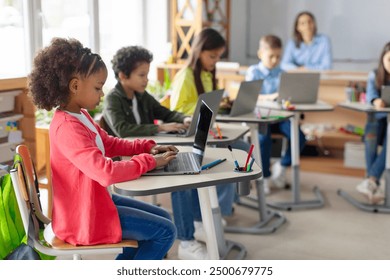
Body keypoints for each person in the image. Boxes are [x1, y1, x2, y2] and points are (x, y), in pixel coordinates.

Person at [28, 37, 178, 260]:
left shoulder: (80, 115)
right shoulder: (67, 127)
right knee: (166, 232)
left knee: (162, 216)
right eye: (98, 87)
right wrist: (149, 162)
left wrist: (147, 147)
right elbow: (105, 172)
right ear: (75, 85)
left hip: (94, 201)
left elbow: (109, 143)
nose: (102, 94)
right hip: (83, 218)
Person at [169, 28, 248, 260]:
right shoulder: (185, 76)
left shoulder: (206, 74)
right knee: (230, 155)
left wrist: (218, 106)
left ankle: (214, 212)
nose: (215, 62)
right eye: (212, 56)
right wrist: (199, 112)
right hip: (190, 136)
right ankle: (204, 216)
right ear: (199, 51)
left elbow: (206, 104)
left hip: (205, 132)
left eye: (218, 57)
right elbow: (176, 110)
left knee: (240, 150)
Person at [246, 35, 306, 193]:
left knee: (299, 136)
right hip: (261, 117)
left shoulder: (283, 73)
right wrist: (270, 97)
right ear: (261, 54)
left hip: (280, 117)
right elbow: (250, 97)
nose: (275, 60)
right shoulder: (254, 72)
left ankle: (282, 165)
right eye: (271, 56)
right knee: (263, 139)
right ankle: (264, 177)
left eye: (278, 56)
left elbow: (287, 96)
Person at [103, 46, 191, 137]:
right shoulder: (112, 99)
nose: (146, 80)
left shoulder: (142, 95)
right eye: (142, 75)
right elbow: (122, 130)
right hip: (129, 150)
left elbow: (166, 114)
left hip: (147, 146)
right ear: (123, 76)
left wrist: (185, 119)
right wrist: (160, 128)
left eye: (147, 74)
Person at [355, 42, 390, 204]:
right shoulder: (374, 75)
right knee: (372, 130)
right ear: (383, 58)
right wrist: (377, 101)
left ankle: (371, 180)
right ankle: (373, 181)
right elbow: (371, 95)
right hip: (377, 119)